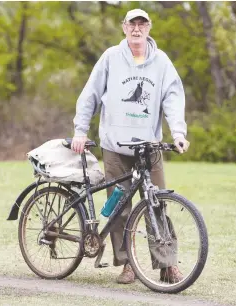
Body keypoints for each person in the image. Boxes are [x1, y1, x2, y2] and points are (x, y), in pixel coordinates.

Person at [71, 8, 190, 284]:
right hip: (115, 146)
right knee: (120, 208)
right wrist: (80, 130)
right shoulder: (111, 57)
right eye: (132, 24)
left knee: (157, 203)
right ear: (124, 27)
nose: (137, 29)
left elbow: (173, 99)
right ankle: (127, 264)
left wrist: (179, 132)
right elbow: (89, 95)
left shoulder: (161, 62)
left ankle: (167, 264)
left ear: (149, 28)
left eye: (142, 24)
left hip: (149, 147)